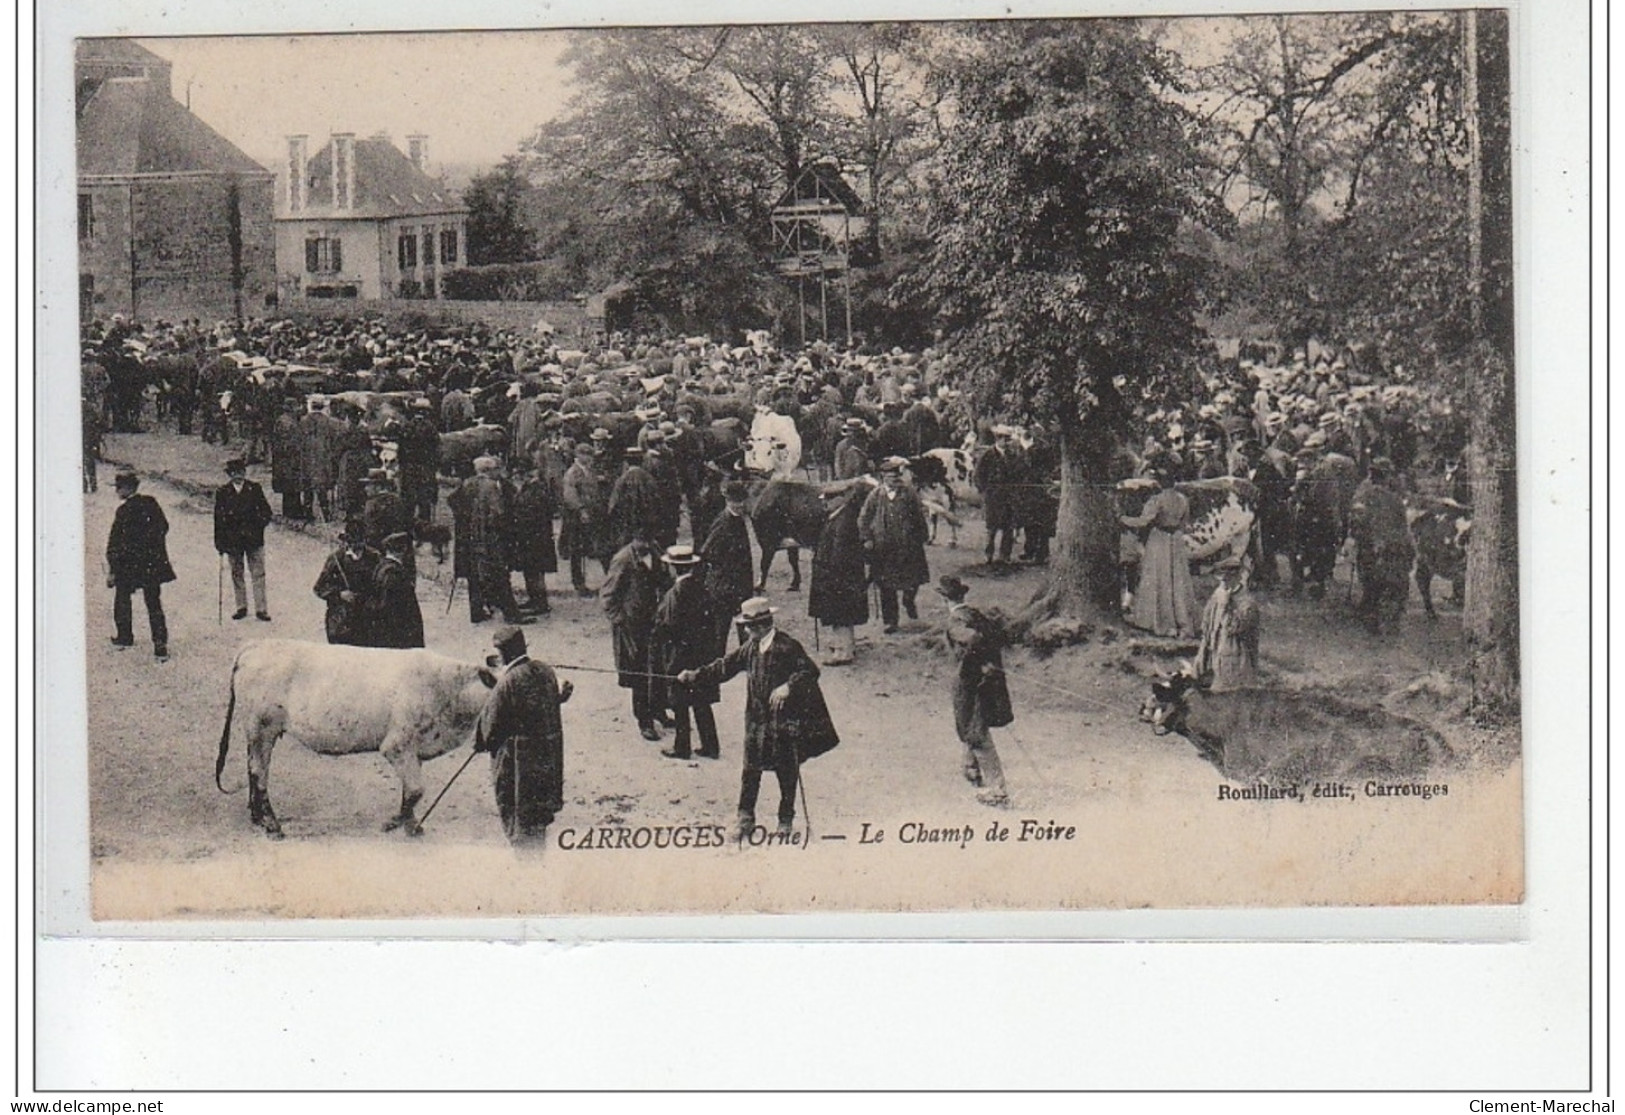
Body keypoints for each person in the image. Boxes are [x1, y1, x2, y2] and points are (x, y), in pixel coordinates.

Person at [678, 597, 839, 841]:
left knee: (786, 770)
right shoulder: (751, 647)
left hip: (783, 721)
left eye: (749, 626)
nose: (746, 630)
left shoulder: (787, 646)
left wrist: (788, 686)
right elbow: (725, 667)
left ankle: (785, 819)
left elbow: (809, 671)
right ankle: (745, 818)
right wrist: (694, 676)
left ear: (762, 625)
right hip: (756, 719)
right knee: (750, 769)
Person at [473, 625, 572, 847]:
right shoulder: (546, 670)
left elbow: (489, 728)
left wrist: (480, 742)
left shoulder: (507, 682)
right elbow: (553, 699)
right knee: (539, 819)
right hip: (547, 757)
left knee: (520, 823)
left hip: (518, 764)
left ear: (504, 654)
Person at [936, 575, 1011, 806]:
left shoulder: (956, 621)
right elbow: (997, 636)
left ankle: (997, 789)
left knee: (975, 730)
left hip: (969, 683)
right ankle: (971, 769)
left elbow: (972, 639)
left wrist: (976, 662)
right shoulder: (977, 614)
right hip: (986, 679)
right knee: (973, 724)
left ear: (945, 600)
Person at [651, 545, 721, 760]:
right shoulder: (703, 589)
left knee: (680, 704)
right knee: (702, 702)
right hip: (702, 655)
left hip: (679, 656)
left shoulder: (675, 594)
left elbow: (668, 627)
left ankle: (682, 747)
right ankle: (710, 745)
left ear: (673, 568)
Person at [601, 536, 668, 741]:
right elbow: (607, 597)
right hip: (633, 627)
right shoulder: (622, 559)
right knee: (638, 674)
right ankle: (644, 721)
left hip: (653, 621)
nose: (646, 543)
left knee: (658, 668)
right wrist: (621, 622)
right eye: (642, 538)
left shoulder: (655, 550)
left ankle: (659, 711)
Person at [1119, 467, 1197, 638]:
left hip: (1159, 539)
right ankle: (1181, 620)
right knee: (1177, 579)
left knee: (1159, 578)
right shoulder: (1183, 499)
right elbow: (1185, 524)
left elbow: (1143, 522)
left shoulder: (1156, 500)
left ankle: (1159, 620)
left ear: (1160, 483)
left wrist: (1124, 519)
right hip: (1176, 539)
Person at [105, 470, 174, 661]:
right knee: (153, 602)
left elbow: (115, 542)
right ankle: (160, 644)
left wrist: (113, 568)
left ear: (127, 488)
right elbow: (164, 527)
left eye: (119, 488)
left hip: (129, 565)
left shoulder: (123, 511)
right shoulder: (151, 503)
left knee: (122, 598)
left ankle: (124, 636)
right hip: (151, 563)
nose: (117, 491)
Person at [448, 456, 525, 625]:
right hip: (489, 537)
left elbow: (452, 500)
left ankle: (476, 611)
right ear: (489, 470)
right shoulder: (490, 486)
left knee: (474, 574)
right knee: (499, 573)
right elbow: (499, 512)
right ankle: (511, 615)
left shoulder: (468, 483)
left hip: (470, 537)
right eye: (496, 469)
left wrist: (464, 519)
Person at [858, 457, 930, 634]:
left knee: (912, 579)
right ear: (883, 477)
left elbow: (919, 517)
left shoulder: (909, 493)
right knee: (886, 585)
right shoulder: (875, 495)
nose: (896, 481)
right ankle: (890, 621)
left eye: (897, 477)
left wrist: (922, 536)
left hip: (908, 546)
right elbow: (863, 519)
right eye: (891, 477)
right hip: (884, 550)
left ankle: (908, 600)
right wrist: (867, 539)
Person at [806, 477, 872, 665]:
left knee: (840, 614)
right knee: (842, 615)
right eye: (825, 500)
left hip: (838, 577)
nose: (825, 503)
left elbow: (840, 555)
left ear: (841, 499)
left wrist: (827, 573)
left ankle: (844, 653)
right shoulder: (839, 516)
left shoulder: (843, 521)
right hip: (840, 576)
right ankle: (846, 645)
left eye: (829, 499)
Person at [1348, 457, 1415, 634]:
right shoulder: (1395, 500)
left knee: (1371, 586)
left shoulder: (1362, 496)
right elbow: (1404, 529)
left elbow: (1356, 524)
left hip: (1371, 549)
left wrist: (1355, 541)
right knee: (1395, 588)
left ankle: (1372, 621)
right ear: (1387, 477)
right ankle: (1390, 623)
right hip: (1393, 550)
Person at [699, 479, 756, 652]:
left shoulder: (739, 519)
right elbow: (706, 552)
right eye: (735, 502)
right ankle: (717, 669)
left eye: (741, 501)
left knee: (745, 629)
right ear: (728, 501)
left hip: (740, 585)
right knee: (720, 632)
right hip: (724, 586)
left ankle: (746, 663)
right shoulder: (722, 523)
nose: (739, 505)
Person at [214, 457, 273, 622]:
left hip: (254, 539)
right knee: (237, 573)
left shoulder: (254, 489)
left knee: (258, 573)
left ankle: (261, 609)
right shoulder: (222, 492)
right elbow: (218, 519)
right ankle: (241, 607)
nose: (237, 476)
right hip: (233, 541)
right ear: (229, 475)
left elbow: (266, 512)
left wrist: (258, 526)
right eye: (234, 473)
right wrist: (219, 543)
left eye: (240, 472)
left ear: (245, 473)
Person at [1193, 555, 1261, 688]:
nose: (1223, 583)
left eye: (1227, 579)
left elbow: (1233, 627)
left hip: (1236, 661)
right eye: (1221, 579)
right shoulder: (1218, 594)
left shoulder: (1247, 603)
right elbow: (1207, 624)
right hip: (1214, 654)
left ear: (1237, 577)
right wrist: (1202, 654)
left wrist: (1225, 606)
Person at [312, 521, 377, 645]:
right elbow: (319, 588)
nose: (355, 546)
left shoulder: (374, 558)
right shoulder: (336, 559)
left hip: (365, 619)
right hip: (341, 620)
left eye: (359, 542)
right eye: (351, 542)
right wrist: (340, 594)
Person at [559, 441, 609, 596]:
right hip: (577, 518)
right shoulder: (572, 473)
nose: (590, 458)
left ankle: (609, 580)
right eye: (586, 455)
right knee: (577, 551)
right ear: (578, 456)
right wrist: (581, 510)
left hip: (593, 514)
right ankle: (579, 584)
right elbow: (569, 495)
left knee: (598, 547)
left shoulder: (589, 470)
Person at [509, 460, 558, 616]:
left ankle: (540, 603)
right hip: (531, 537)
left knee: (535, 571)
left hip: (535, 537)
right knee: (530, 570)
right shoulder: (532, 488)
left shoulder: (537, 490)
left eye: (518, 473)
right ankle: (534, 599)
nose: (516, 477)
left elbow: (531, 512)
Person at [364, 532, 425, 649]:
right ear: (404, 550)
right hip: (396, 637)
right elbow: (393, 608)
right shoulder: (394, 573)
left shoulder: (380, 567)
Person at [976, 426, 1025, 566]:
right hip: (993, 497)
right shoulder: (987, 455)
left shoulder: (1012, 455)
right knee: (991, 528)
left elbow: (1018, 473)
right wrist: (985, 491)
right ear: (997, 438)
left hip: (1008, 497)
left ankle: (1005, 556)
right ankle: (988, 555)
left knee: (1008, 528)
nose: (1006, 441)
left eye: (1007, 439)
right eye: (1003, 438)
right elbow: (978, 475)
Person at [298, 397, 338, 523]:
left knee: (307, 487)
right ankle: (326, 514)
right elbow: (333, 439)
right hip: (323, 455)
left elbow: (299, 439)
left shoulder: (303, 420)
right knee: (321, 487)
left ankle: (308, 515)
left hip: (307, 456)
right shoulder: (328, 421)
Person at [270, 397, 308, 519]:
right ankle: (292, 511)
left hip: (286, 458)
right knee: (291, 483)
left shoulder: (286, 420)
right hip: (288, 458)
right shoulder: (287, 422)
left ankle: (292, 509)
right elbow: (287, 442)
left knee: (290, 484)